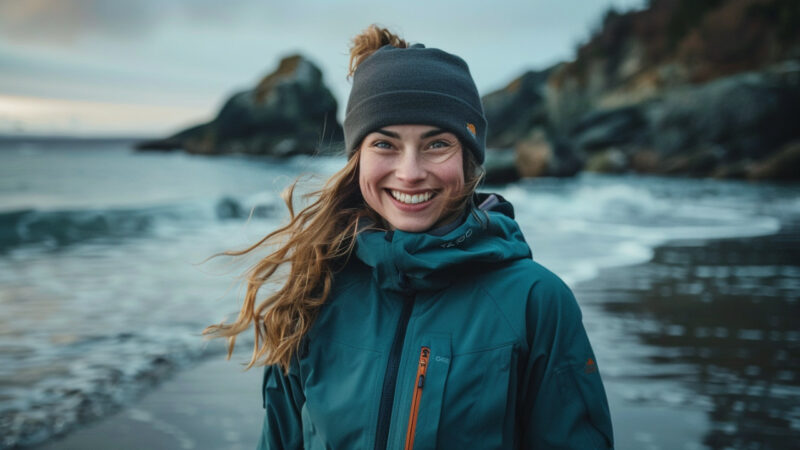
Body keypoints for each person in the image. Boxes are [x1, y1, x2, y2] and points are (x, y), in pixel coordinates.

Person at [205, 25, 614, 449]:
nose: (411, 172)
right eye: (385, 144)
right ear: (357, 159)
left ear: (470, 162)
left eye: (437, 144)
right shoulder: (313, 291)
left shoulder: (536, 301)